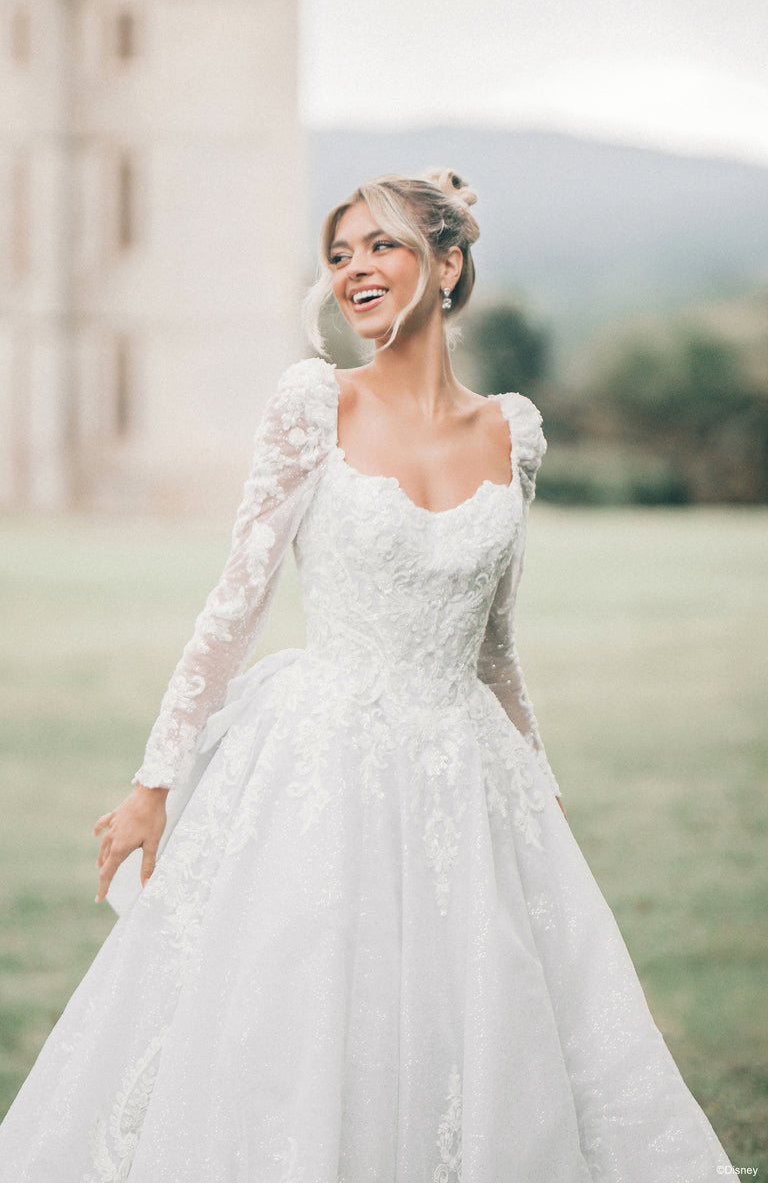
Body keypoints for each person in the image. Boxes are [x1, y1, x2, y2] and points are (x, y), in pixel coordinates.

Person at [0, 169, 732, 1181]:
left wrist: (539, 782)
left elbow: (496, 642)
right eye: (339, 254)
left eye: (379, 245)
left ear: (448, 262)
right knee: (307, 1026)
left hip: (469, 780)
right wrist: (154, 778)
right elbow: (237, 599)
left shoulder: (512, 432)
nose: (353, 270)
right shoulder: (314, 402)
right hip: (321, 764)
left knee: (474, 1027)